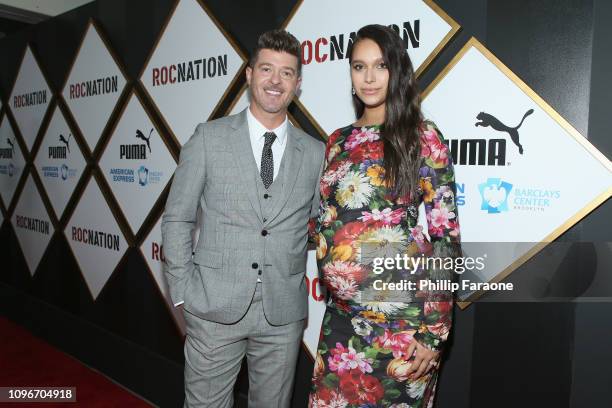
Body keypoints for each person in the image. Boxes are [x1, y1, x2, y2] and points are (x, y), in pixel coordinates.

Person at [162, 29, 325, 408]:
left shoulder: (315, 153)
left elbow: (317, 222)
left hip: (282, 314)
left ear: (297, 84)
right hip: (213, 307)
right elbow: (177, 219)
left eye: (286, 73)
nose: (275, 81)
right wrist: (183, 291)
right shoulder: (208, 138)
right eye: (266, 69)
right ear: (249, 74)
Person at [308, 24, 461, 407]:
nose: (370, 77)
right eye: (359, 67)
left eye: (380, 66)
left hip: (402, 322)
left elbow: (445, 236)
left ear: (398, 71)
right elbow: (330, 217)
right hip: (341, 319)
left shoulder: (422, 136)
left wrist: (435, 331)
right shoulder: (338, 140)